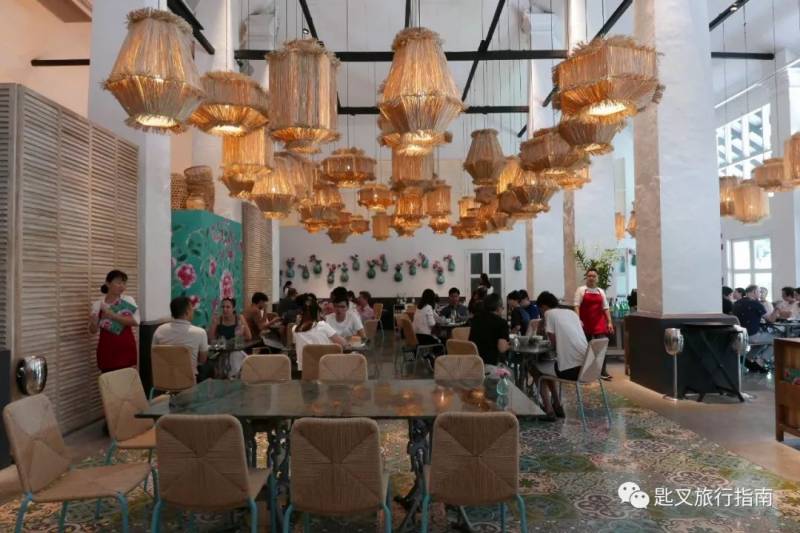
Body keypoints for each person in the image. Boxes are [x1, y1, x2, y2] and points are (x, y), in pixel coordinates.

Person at [533, 291, 587, 421]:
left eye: (540, 309)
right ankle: (557, 405)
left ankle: (549, 410)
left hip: (571, 370)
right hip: (587, 368)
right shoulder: (571, 313)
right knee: (547, 367)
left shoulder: (549, 313)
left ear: (543, 306)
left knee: (534, 368)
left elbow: (553, 343)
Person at [89, 270, 140, 373]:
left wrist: (112, 315)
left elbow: (136, 322)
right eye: (118, 283)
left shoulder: (128, 300)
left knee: (127, 380)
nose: (122, 286)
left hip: (125, 349)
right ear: (107, 283)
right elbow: (93, 331)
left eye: (124, 283)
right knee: (108, 381)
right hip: (106, 350)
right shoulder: (98, 304)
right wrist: (94, 323)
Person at [153, 296, 209, 379]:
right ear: (187, 312)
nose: (193, 311)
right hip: (188, 381)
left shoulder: (160, 330)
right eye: (192, 308)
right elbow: (202, 360)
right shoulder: (200, 332)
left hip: (163, 379)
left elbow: (154, 354)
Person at [574, 268, 614, 380]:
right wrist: (578, 320)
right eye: (589, 276)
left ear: (597, 278)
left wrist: (609, 322)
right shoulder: (581, 290)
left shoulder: (600, 291)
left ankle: (603, 371)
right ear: (586, 277)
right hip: (585, 323)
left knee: (602, 347)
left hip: (599, 323)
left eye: (594, 276)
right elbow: (576, 306)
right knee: (585, 348)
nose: (591, 278)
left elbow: (605, 308)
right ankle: (586, 372)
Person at [293, 300, 348, 371]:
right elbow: (343, 344)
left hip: (304, 371)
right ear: (317, 313)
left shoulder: (295, 329)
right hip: (326, 370)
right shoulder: (323, 326)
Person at [733, 284, 776, 373]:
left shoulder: (736, 303)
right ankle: (761, 361)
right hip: (752, 335)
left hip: (739, 335)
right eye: (759, 292)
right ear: (754, 292)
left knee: (763, 342)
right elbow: (771, 319)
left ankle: (748, 358)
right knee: (776, 340)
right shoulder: (756, 304)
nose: (760, 294)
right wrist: (777, 310)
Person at [208, 298, 252, 378]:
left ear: (233, 308)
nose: (225, 309)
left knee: (235, 356)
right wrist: (213, 324)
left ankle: (234, 377)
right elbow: (211, 340)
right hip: (222, 350)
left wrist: (238, 337)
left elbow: (248, 336)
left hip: (235, 349)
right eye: (223, 307)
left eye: (228, 307)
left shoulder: (239, 318)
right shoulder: (218, 319)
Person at [468, 293, 509, 366]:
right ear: (498, 308)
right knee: (510, 371)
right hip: (490, 365)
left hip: (473, 363)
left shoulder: (475, 319)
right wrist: (510, 345)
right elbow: (502, 349)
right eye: (502, 307)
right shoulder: (501, 323)